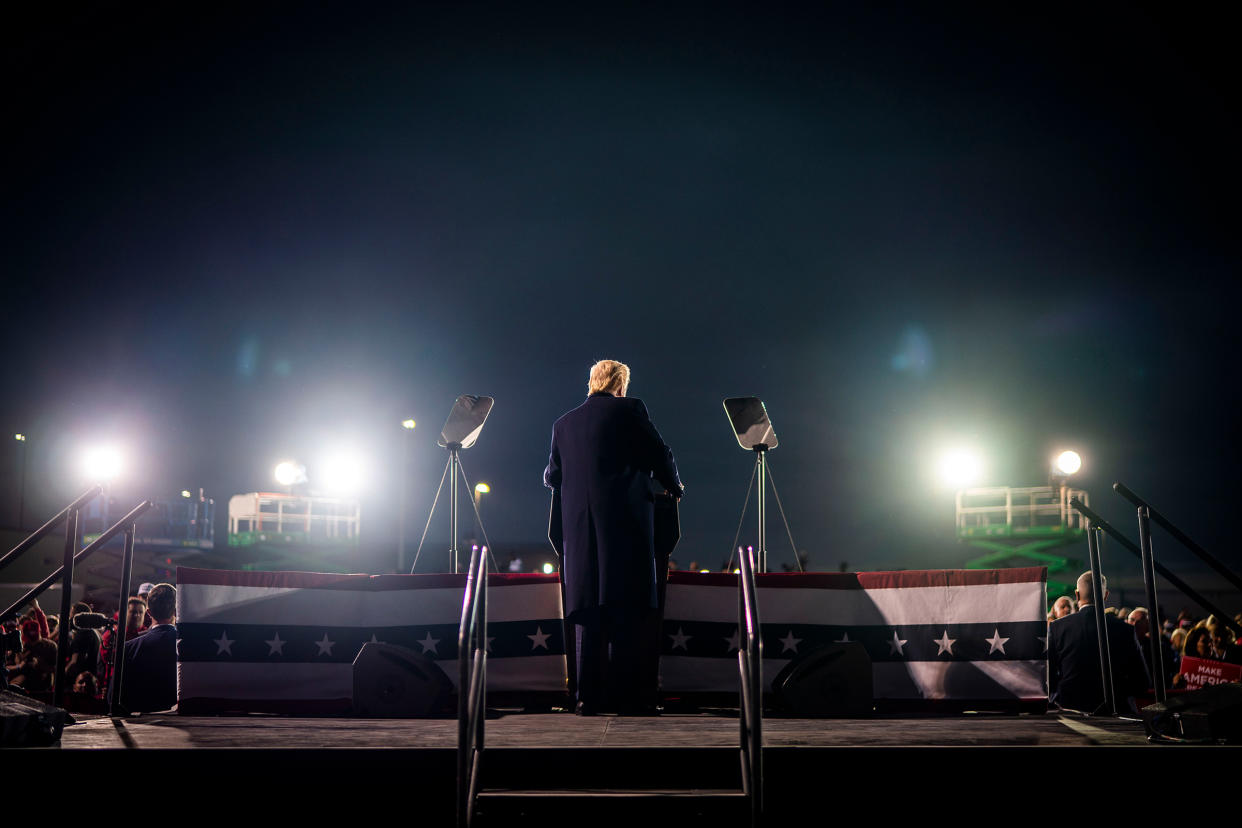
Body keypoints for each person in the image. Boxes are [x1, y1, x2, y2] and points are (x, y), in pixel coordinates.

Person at [544, 359, 682, 715]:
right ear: (620, 384)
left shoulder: (563, 424)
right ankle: (630, 699)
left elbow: (552, 475)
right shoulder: (630, 409)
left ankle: (588, 698)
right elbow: (658, 452)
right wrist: (674, 486)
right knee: (627, 612)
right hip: (625, 529)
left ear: (592, 383)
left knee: (591, 616)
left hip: (579, 535)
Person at [1048, 571, 1150, 714]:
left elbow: (1048, 676)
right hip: (1114, 711)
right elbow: (1142, 681)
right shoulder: (1125, 630)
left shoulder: (1057, 627)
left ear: (1077, 595)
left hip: (1070, 710)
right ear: (1105, 595)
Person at [121, 583, 178, 714]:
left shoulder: (128, 649)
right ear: (176, 611)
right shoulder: (188, 647)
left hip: (140, 725)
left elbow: (115, 699)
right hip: (186, 722)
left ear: (148, 612)